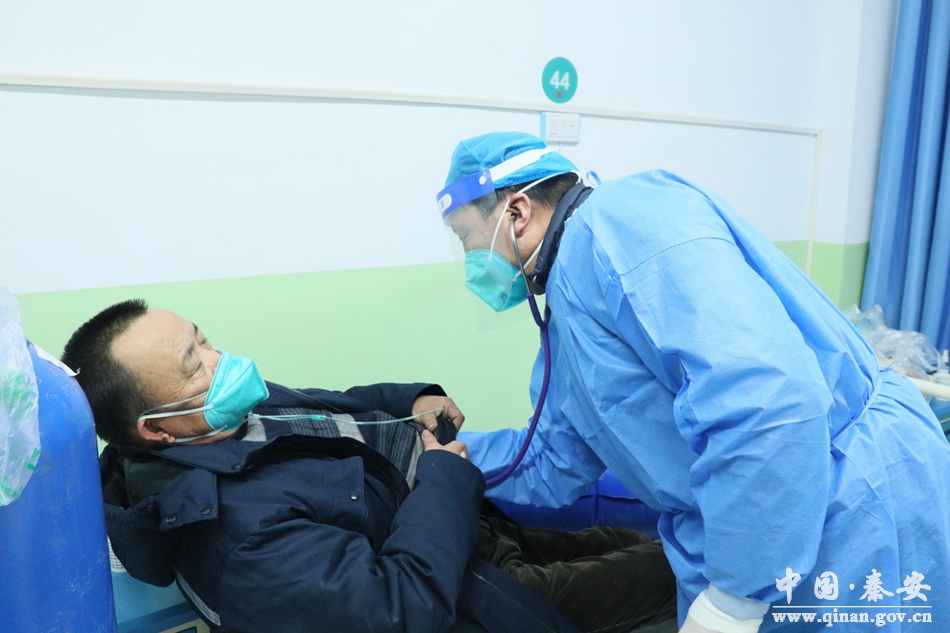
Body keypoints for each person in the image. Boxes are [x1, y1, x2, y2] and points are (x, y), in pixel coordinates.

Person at [438, 132, 950, 632]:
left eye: (466, 238)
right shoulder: (569, 293)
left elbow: (767, 401)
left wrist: (733, 600)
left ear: (517, 213)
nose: (471, 259)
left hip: (838, 499)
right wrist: (451, 458)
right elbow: (554, 455)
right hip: (755, 520)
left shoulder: (623, 224)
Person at [63, 299, 677, 633]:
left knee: (630, 541)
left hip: (463, 536)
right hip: (473, 596)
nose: (219, 358)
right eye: (193, 364)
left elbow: (330, 410)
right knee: (667, 571)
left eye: (202, 338)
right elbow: (402, 605)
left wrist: (409, 397)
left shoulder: (226, 415)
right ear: (157, 428)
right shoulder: (240, 539)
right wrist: (444, 479)